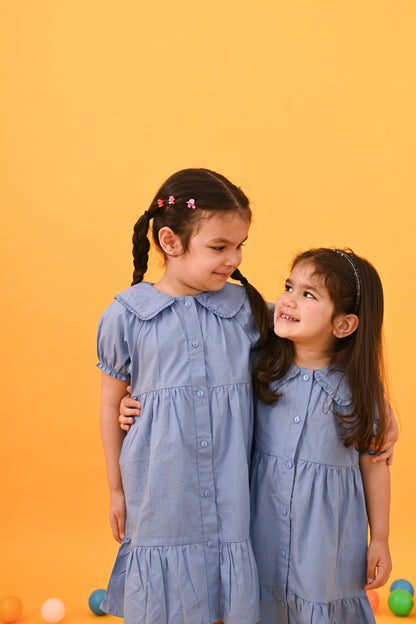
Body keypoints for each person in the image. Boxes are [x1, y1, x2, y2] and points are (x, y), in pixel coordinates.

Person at [97, 168, 270, 624]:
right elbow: (108, 403)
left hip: (232, 490)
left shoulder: (247, 311)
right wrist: (116, 489)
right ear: (171, 241)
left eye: (239, 246)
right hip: (161, 493)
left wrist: (375, 403)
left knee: (223, 588)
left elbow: (321, 341)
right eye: (219, 247)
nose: (233, 258)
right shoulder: (126, 316)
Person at [250, 247, 392, 623]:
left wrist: (380, 538)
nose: (288, 300)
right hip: (260, 531)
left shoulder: (359, 393)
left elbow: (375, 465)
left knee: (318, 601)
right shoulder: (260, 369)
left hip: (324, 545)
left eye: (308, 294)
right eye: (289, 286)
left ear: (344, 325)